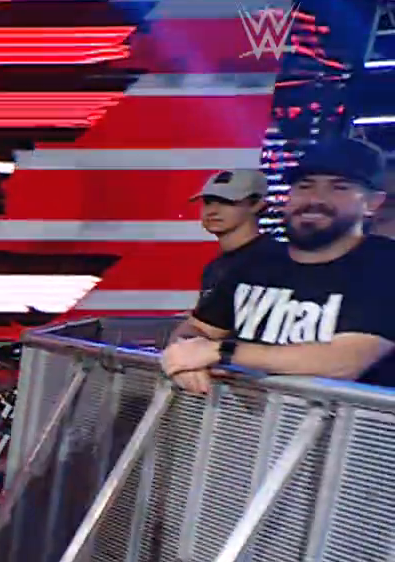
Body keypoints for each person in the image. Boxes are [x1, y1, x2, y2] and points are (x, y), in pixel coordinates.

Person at [162, 139, 395, 391]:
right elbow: (197, 327)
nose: (315, 198)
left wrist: (220, 352)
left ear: (373, 203)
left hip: (349, 417)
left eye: (339, 187)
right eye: (304, 186)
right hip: (243, 416)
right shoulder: (256, 262)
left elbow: (343, 362)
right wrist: (186, 356)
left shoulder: (384, 266)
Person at [170, 168, 283, 345]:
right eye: (208, 202)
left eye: (227, 202)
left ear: (257, 205)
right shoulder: (215, 267)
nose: (213, 211)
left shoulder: (275, 260)